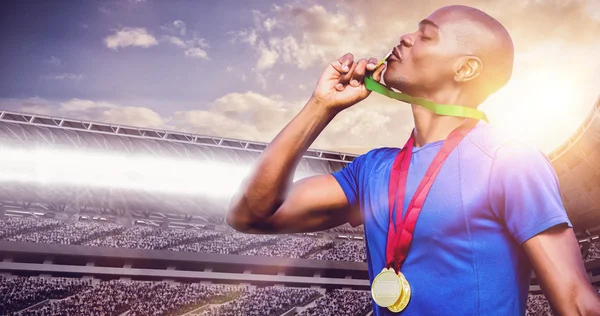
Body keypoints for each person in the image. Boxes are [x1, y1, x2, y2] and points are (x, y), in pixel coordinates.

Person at [227, 5, 600, 315]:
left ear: (465, 69)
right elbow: (251, 215)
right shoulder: (372, 169)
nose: (405, 37)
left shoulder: (510, 160)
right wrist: (320, 107)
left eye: (426, 35)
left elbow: (576, 302)